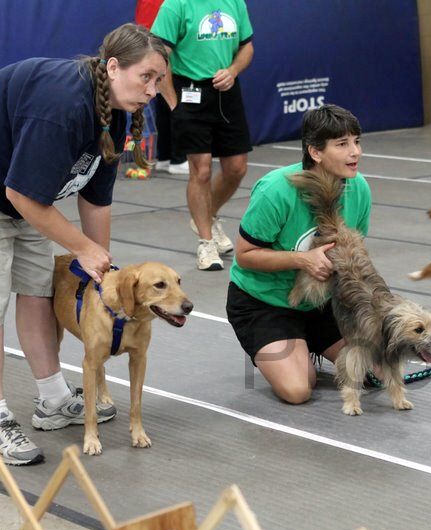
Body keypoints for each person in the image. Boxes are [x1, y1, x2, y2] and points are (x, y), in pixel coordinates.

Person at [0, 23, 169, 465]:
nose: (152, 89)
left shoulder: (116, 109)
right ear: (112, 67)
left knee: (38, 288)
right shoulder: (61, 104)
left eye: (159, 80)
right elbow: (20, 195)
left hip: (25, 193)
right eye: (145, 76)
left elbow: (96, 195)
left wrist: (101, 272)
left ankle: (52, 398)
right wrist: (84, 250)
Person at [226, 105, 369, 404]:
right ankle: (294, 349)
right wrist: (303, 260)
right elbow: (245, 255)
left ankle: (312, 340)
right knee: (299, 390)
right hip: (265, 303)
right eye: (342, 144)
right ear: (315, 152)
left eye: (356, 141)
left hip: (324, 301)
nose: (355, 152)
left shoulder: (360, 189)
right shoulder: (276, 190)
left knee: (376, 372)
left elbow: (355, 255)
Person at [152, 0, 255, 271]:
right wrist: (174, 103)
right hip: (189, 92)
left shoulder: (235, 2)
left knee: (237, 168)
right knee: (202, 170)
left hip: (227, 91)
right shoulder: (175, 6)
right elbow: (157, 56)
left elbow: (247, 46)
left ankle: (206, 216)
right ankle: (206, 242)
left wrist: (232, 71)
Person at [135, 0, 189, 175]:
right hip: (163, 46)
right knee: (173, 100)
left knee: (164, 101)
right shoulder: (170, 6)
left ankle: (165, 157)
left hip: (154, 44)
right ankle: (178, 158)